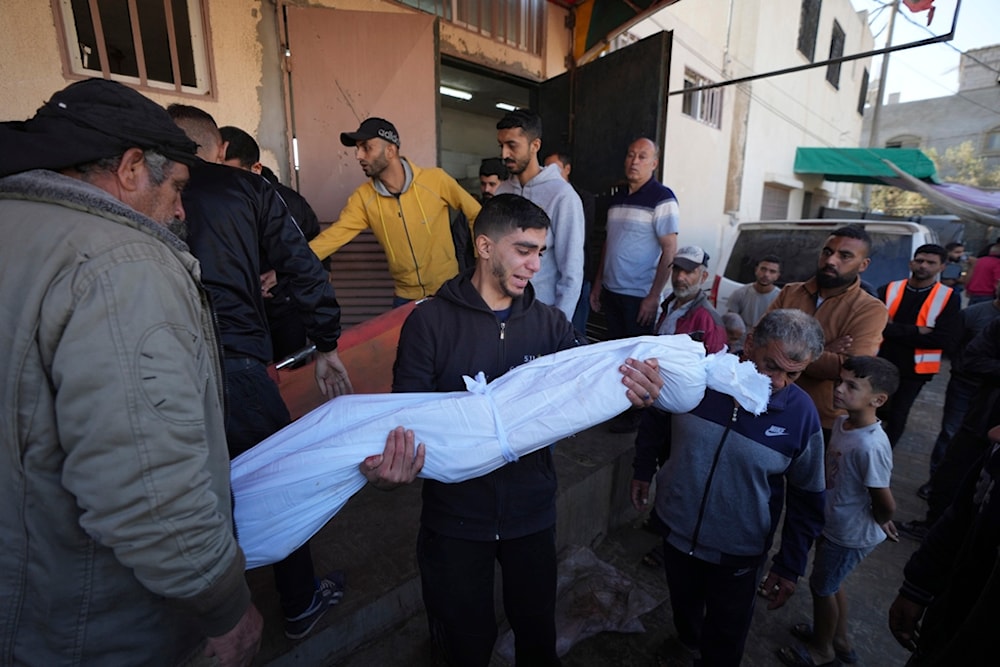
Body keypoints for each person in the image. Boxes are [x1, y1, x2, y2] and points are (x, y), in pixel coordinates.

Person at [0, 79, 261, 665]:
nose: (178, 209)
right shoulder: (124, 263)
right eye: (177, 188)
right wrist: (223, 605)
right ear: (131, 167)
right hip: (96, 624)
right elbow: (146, 483)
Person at [361, 194, 664, 666]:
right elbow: (409, 419)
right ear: (484, 246)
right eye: (524, 249)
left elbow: (588, 388)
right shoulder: (430, 323)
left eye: (541, 252)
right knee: (464, 642)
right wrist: (390, 471)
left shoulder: (551, 326)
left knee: (536, 633)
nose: (535, 264)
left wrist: (637, 387)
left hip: (531, 512)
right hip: (455, 517)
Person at [169, 104, 352, 640]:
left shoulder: (141, 192)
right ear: (220, 149)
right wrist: (327, 343)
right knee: (277, 481)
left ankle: (209, 619)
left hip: (165, 364)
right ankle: (298, 603)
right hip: (238, 361)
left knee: (194, 491)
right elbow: (303, 265)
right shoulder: (245, 190)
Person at [631, 309, 827, 666]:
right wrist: (643, 470)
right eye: (771, 366)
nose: (779, 382)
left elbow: (809, 497)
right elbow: (657, 419)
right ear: (750, 342)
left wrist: (789, 565)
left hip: (739, 550)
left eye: (794, 374)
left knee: (727, 629)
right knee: (683, 601)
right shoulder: (700, 378)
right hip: (675, 529)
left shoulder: (802, 416)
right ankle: (687, 640)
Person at [777, 356, 899, 667]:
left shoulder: (871, 446)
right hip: (836, 523)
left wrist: (881, 521)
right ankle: (838, 638)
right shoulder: (845, 423)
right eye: (839, 381)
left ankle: (823, 650)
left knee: (822, 587)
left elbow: (885, 501)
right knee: (832, 582)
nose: (838, 389)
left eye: (851, 385)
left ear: (878, 399)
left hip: (849, 534)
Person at [309, 117, 482, 305]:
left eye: (366, 147)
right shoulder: (363, 198)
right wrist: (289, 266)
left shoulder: (435, 180)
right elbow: (333, 237)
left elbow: (477, 214)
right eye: (357, 149)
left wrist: (480, 263)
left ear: (390, 150)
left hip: (448, 288)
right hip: (405, 296)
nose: (358, 155)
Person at [888, 423, 1000, 665]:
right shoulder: (995, 453)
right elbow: (959, 517)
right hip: (945, 625)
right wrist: (917, 586)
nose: (992, 433)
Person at [769, 224, 888, 441]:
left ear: (863, 264)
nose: (831, 260)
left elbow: (849, 368)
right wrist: (825, 349)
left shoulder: (870, 309)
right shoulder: (790, 292)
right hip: (770, 400)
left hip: (821, 420)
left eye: (845, 256)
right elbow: (762, 344)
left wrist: (785, 351)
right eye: (827, 252)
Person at [219, 124, 324, 361]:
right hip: (237, 318)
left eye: (229, 173)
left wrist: (281, 274)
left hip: (285, 313)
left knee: (292, 380)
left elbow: (318, 261)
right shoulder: (209, 202)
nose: (219, 182)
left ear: (255, 168)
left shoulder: (289, 203)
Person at [897, 317, 1000, 541]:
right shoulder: (996, 324)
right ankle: (933, 527)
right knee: (952, 475)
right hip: (980, 422)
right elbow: (971, 359)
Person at [495, 109, 585, 321]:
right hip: (501, 312)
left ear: (535, 145)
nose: (504, 155)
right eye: (501, 146)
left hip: (540, 314)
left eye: (512, 145)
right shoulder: (502, 192)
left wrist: (558, 326)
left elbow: (571, 271)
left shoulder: (562, 196)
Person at [590, 137, 679, 339]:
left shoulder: (663, 198)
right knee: (612, 354)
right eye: (631, 155)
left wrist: (654, 296)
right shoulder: (618, 197)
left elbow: (670, 250)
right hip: (610, 293)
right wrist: (597, 284)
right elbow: (609, 243)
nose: (634, 161)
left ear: (654, 164)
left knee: (633, 359)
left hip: (639, 298)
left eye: (642, 156)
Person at [918, 280, 1000, 499]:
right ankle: (936, 485)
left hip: (990, 399)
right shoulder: (975, 314)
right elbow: (961, 351)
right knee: (952, 435)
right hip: (965, 386)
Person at [876, 244, 962, 448]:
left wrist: (894, 329)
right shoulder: (889, 289)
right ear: (911, 262)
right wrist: (917, 331)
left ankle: (884, 456)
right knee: (872, 408)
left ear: (942, 267)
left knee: (898, 414)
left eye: (930, 262)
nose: (923, 266)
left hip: (915, 369)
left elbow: (943, 339)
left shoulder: (949, 297)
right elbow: (877, 327)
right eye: (920, 260)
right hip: (881, 359)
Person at [544, 151, 597, 334]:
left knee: (575, 330)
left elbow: (579, 237)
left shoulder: (581, 198)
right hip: (550, 282)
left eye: (555, 168)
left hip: (578, 274)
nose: (550, 173)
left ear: (567, 169)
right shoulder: (544, 193)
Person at [727, 255, 782, 329]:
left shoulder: (781, 298)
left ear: (777, 276)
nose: (766, 274)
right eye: (763, 269)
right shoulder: (740, 293)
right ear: (756, 270)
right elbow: (730, 322)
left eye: (772, 271)